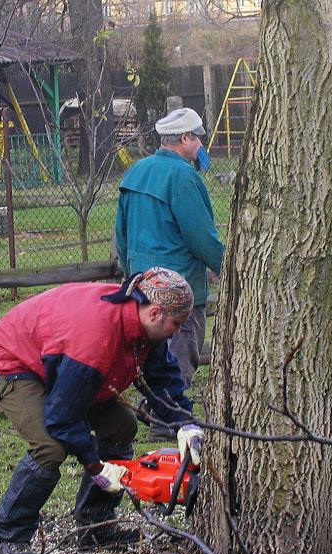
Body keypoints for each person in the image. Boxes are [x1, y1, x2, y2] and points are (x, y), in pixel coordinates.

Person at [0, 268, 206, 554]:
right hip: (14, 363)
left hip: (61, 363)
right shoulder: (95, 339)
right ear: (155, 313)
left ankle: (94, 524)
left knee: (122, 425)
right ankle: (8, 537)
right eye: (176, 324)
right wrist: (96, 466)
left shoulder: (143, 325)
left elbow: (163, 378)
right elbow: (62, 417)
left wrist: (185, 423)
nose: (178, 331)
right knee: (50, 447)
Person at [114, 107, 224, 438]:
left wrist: (131, 273)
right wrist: (226, 267)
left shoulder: (135, 172)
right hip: (180, 287)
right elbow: (200, 235)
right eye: (199, 136)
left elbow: (121, 234)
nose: (202, 143)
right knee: (182, 347)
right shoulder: (183, 177)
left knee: (150, 353)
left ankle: (151, 411)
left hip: (142, 285)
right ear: (185, 138)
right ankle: (167, 420)